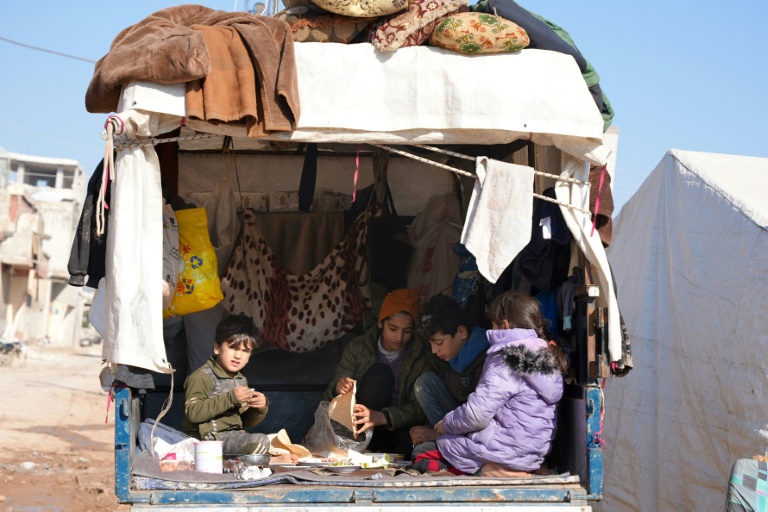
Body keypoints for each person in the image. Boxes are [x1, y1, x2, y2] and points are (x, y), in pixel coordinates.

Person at [411, 289, 567, 476]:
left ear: (505, 325)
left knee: (421, 455)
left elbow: (477, 415)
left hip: (503, 452)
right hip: (530, 455)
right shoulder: (545, 355)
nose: (490, 333)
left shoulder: (506, 357)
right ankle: (510, 470)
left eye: (492, 326)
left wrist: (445, 425)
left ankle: (489, 471)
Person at [325, 288, 430, 457]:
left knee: (412, 442)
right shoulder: (358, 347)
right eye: (393, 328)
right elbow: (330, 395)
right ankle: (358, 446)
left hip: (396, 428)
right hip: (360, 426)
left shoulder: (422, 356)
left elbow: (420, 409)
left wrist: (383, 417)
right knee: (380, 374)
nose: (399, 337)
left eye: (407, 331)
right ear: (381, 323)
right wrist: (338, 387)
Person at [183, 313, 292, 461]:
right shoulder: (201, 377)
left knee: (271, 440)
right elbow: (193, 413)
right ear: (217, 347)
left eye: (245, 351)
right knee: (260, 442)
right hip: (208, 442)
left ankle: (257, 459)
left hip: (235, 438)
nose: (238, 356)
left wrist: (259, 408)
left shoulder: (241, 380)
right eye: (233, 348)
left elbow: (245, 422)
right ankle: (271, 461)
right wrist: (230, 398)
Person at [409, 294, 489, 446]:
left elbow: (480, 415)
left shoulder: (486, 358)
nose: (434, 350)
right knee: (425, 383)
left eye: (439, 342)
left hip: (479, 429)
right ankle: (443, 441)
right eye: (432, 343)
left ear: (461, 333)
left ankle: (444, 442)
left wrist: (437, 432)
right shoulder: (444, 356)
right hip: (456, 422)